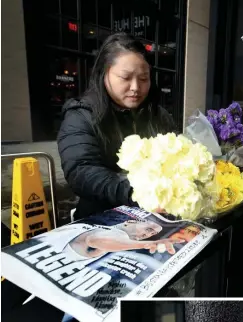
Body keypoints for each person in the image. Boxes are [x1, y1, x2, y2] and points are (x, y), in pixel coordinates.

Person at [57, 32, 178, 221]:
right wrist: (140, 193)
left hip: (159, 217)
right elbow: (81, 171)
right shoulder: (81, 115)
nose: (136, 87)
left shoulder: (158, 115)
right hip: (102, 219)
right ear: (104, 73)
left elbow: (180, 155)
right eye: (125, 77)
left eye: (144, 79)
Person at [38, 219, 184, 261]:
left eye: (152, 234)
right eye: (149, 229)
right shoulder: (113, 232)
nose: (149, 234)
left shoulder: (118, 237)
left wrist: (148, 243)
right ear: (131, 221)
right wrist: (150, 243)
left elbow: (95, 241)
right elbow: (94, 239)